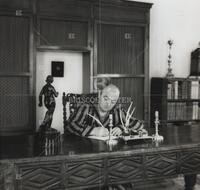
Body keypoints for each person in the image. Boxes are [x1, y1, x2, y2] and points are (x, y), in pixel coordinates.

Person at [65, 84, 145, 137]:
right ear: (99, 95)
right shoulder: (87, 106)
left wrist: (122, 128)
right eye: (106, 99)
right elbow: (70, 125)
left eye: (113, 101)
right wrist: (92, 131)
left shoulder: (117, 109)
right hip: (85, 151)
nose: (108, 104)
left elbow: (138, 124)